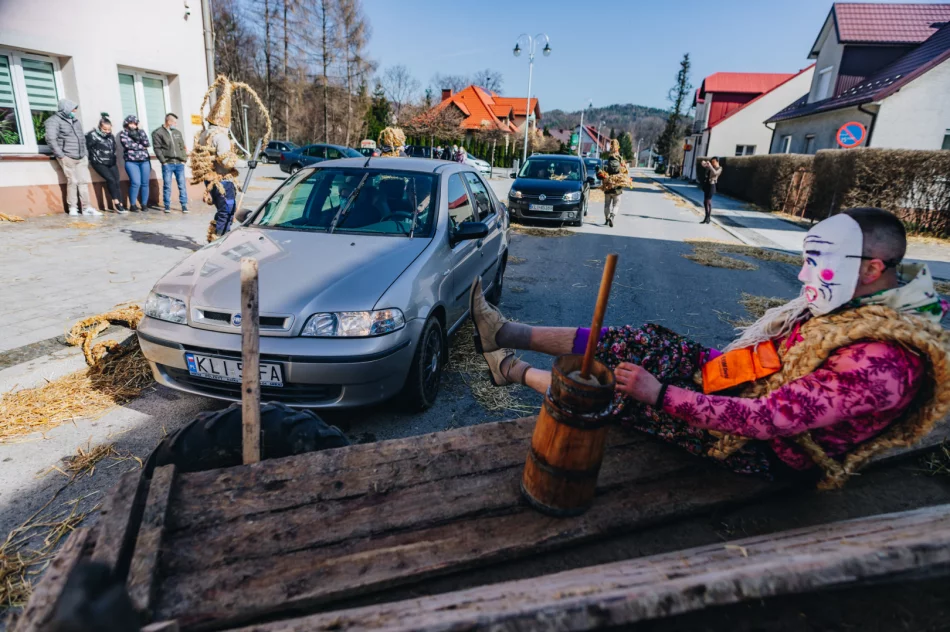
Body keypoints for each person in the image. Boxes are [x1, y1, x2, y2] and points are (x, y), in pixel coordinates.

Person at [469, 207, 950, 489]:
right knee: (642, 339)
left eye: (817, 263)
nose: (803, 276)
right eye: (805, 260)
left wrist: (658, 394)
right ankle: (506, 333)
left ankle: (509, 370)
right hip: (737, 380)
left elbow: (764, 421)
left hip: (769, 452)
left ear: (873, 269)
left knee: (615, 393)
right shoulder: (856, 306)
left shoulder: (881, 361)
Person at [190, 75, 271, 242]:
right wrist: (246, 163)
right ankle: (219, 241)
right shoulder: (220, 136)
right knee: (226, 211)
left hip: (211, 180)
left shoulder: (205, 133)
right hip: (222, 181)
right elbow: (226, 161)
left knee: (226, 210)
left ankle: (219, 237)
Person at [44, 98, 100, 216]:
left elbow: (82, 138)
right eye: (73, 109)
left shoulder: (75, 121)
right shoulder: (53, 121)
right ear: (66, 108)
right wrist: (61, 155)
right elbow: (50, 139)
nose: (74, 111)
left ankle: (87, 208)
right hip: (67, 156)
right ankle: (73, 208)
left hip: (81, 157)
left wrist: (85, 154)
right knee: (72, 182)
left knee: (83, 182)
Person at [85, 114, 127, 213]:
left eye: (109, 129)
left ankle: (121, 203)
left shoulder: (110, 136)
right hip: (98, 162)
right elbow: (86, 148)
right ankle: (116, 203)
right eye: (104, 129)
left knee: (116, 181)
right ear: (100, 127)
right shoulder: (92, 135)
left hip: (111, 161)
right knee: (111, 179)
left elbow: (113, 148)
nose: (107, 132)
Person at [152, 113, 189, 213]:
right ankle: (167, 205)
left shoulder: (177, 132)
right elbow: (157, 148)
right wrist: (163, 161)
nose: (176, 125)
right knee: (167, 185)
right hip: (168, 163)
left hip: (179, 163)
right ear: (168, 122)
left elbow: (182, 146)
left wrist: (184, 159)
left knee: (182, 185)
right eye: (174, 123)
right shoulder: (158, 133)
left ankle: (184, 205)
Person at [119, 115, 151, 212]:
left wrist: (141, 131)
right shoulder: (123, 134)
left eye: (135, 123)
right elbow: (128, 145)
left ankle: (144, 204)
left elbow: (147, 143)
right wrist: (141, 146)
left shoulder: (141, 132)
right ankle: (133, 205)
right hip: (131, 162)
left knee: (145, 183)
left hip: (144, 160)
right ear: (127, 123)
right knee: (136, 183)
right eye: (131, 123)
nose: (133, 125)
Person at [597, 139, 631, 228]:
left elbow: (602, 174)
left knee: (607, 205)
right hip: (617, 188)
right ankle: (612, 216)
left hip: (608, 187)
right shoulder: (620, 160)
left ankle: (607, 219)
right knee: (616, 204)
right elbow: (625, 173)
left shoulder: (607, 161)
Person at [699, 157, 722, 224]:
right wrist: (703, 163)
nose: (712, 163)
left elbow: (715, 173)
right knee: (706, 202)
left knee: (707, 201)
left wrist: (711, 166)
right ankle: (707, 217)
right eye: (712, 162)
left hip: (712, 185)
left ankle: (707, 218)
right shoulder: (711, 166)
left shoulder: (719, 168)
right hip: (707, 185)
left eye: (714, 161)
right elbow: (705, 166)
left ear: (717, 162)